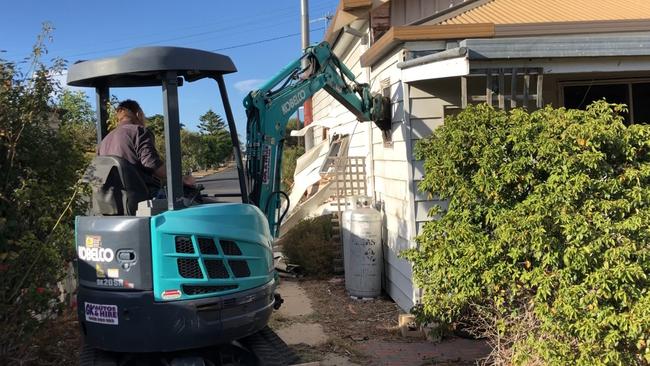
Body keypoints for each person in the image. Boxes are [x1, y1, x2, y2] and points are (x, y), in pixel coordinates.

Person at [98, 99, 195, 197]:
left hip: (112, 200)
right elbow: (151, 163)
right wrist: (179, 178)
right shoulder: (139, 131)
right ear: (138, 114)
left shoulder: (104, 141)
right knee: (194, 200)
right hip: (141, 195)